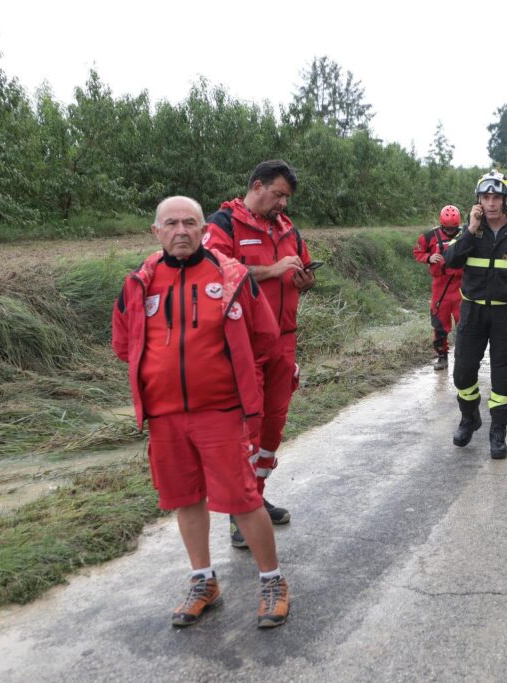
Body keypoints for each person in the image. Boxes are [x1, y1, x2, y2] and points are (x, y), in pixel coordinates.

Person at [112, 196, 290, 628]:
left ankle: (272, 582)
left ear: (202, 229)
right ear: (156, 232)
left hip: (222, 412)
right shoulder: (139, 282)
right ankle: (203, 581)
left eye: (190, 222)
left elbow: (265, 338)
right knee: (185, 498)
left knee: (244, 499)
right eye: (170, 224)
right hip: (166, 416)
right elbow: (124, 344)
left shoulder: (231, 278)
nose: (181, 231)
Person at [204, 160, 315, 547]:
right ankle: (240, 513)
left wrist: (305, 278)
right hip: (243, 343)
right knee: (246, 431)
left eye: (287, 197)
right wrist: (271, 270)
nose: (284, 203)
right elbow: (212, 274)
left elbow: (301, 268)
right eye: (279, 194)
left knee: (272, 428)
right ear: (257, 186)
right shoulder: (224, 224)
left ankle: (256, 496)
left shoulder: (288, 229)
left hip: (284, 340)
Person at [444, 170, 507, 459]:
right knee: (463, 373)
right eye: (486, 197)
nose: (491, 203)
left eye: (496, 197)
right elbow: (450, 261)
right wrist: (471, 228)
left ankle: (497, 431)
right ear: (478, 200)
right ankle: (469, 418)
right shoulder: (470, 230)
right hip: (473, 311)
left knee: (502, 377)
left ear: (506, 200)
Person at [413, 205, 464, 370]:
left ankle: (464, 357)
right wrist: (429, 257)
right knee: (439, 324)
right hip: (440, 285)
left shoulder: (466, 234)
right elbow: (417, 252)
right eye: (447, 229)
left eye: (453, 229)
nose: (450, 232)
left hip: (461, 286)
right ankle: (442, 357)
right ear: (442, 224)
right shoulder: (430, 236)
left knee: (466, 323)